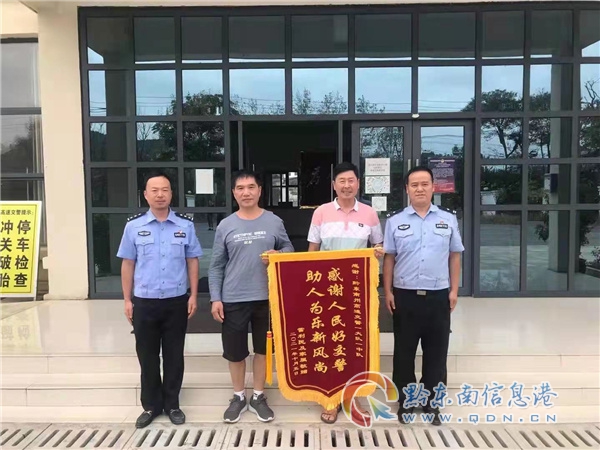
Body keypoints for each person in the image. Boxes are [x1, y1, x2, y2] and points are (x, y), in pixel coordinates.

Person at [117, 171, 203, 428]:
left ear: (171, 194)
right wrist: (127, 300)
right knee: (148, 356)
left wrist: (194, 295)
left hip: (176, 301)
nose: (160, 195)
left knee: (175, 355)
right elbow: (128, 264)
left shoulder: (185, 226)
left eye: (164, 190)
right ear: (145, 195)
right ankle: (151, 406)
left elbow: (192, 261)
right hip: (145, 302)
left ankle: (172, 404)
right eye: (154, 190)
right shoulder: (133, 227)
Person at [209, 169, 294, 423]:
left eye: (251, 187)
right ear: (234, 193)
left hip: (267, 298)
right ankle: (238, 396)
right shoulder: (226, 225)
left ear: (259, 191)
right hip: (233, 297)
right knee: (235, 352)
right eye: (240, 188)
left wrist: (279, 254)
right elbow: (216, 265)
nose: (246, 192)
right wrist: (215, 298)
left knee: (262, 349)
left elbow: (289, 248)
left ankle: (258, 396)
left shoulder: (274, 221)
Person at [382, 166, 464, 426]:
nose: (420, 189)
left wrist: (454, 290)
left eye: (424, 184)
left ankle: (432, 402)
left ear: (433, 187)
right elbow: (389, 258)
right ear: (407, 189)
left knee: (436, 352)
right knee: (404, 352)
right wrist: (387, 291)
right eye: (414, 184)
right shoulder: (395, 221)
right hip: (405, 296)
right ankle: (406, 401)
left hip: (438, 296)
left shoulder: (448, 219)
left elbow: (455, 255)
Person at [307, 161, 384, 424]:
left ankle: (352, 396)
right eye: (342, 181)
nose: (347, 185)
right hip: (327, 293)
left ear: (358, 184)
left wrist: (377, 255)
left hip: (358, 292)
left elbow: (378, 247)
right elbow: (311, 253)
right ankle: (331, 398)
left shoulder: (370, 214)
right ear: (334, 185)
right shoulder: (321, 212)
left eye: (351, 180)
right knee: (329, 344)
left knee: (355, 345)